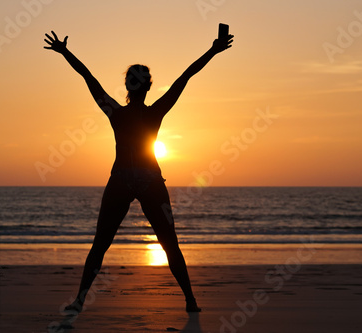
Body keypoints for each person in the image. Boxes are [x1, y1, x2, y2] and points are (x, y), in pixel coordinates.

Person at [44, 30, 233, 314]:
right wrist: (213, 50)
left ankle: (80, 300)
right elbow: (185, 77)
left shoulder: (116, 113)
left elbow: (89, 79)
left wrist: (65, 52)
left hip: (123, 180)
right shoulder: (154, 112)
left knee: (101, 244)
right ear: (147, 88)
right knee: (169, 244)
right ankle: (190, 301)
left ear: (128, 87)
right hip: (149, 181)